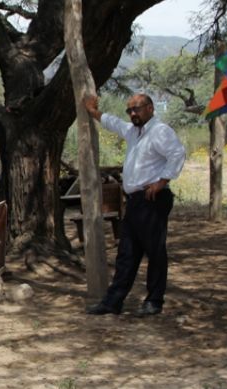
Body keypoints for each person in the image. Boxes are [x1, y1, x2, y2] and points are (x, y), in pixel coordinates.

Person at [83, 93, 186, 317]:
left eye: (136, 109)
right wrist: (93, 112)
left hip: (152, 199)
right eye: (129, 110)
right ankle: (113, 301)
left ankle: (154, 301)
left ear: (150, 108)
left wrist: (161, 182)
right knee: (127, 252)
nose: (132, 114)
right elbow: (114, 123)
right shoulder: (133, 132)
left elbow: (177, 153)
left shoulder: (159, 131)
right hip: (136, 201)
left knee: (154, 250)